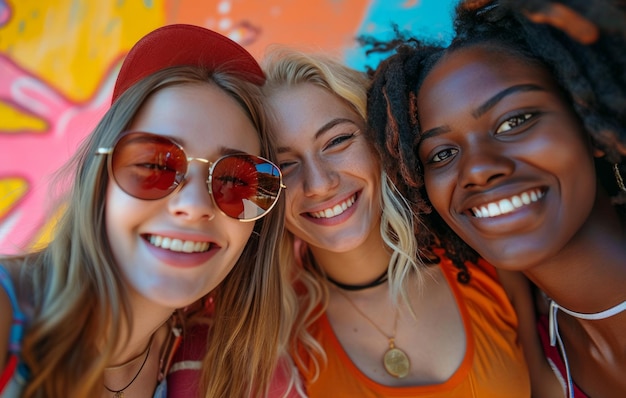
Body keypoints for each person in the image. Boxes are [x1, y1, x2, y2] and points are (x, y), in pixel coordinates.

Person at [0, 24, 286, 398]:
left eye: (234, 181)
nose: (196, 206)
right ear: (100, 177)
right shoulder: (8, 309)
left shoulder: (203, 359)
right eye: (156, 166)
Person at [261, 46, 558, 397]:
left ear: (382, 139)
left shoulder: (485, 261)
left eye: (337, 141)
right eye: (285, 164)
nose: (320, 183)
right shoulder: (271, 331)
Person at [365, 1, 626, 397]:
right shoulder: (537, 351)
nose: (476, 170)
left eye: (514, 121)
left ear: (591, 125)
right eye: (441, 154)